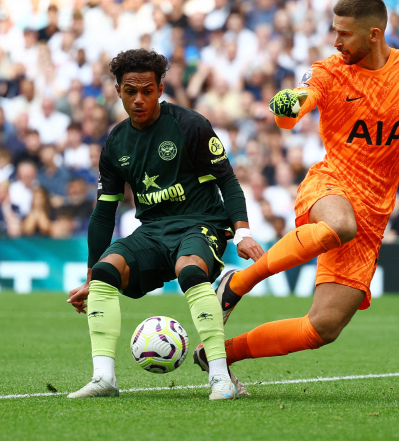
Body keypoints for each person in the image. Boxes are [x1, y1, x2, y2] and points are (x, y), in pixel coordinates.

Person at [194, 0, 399, 379]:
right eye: (333, 31)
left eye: (344, 34)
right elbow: (296, 107)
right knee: (341, 224)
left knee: (323, 328)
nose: (335, 41)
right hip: (330, 185)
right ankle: (237, 284)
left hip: (374, 215)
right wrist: (288, 105)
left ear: (374, 34)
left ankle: (220, 354)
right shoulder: (329, 69)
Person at [66, 49, 263, 401]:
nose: (138, 99)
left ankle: (220, 379)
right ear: (118, 91)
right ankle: (103, 378)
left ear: (160, 88)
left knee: (190, 270)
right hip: (153, 231)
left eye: (147, 90)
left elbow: (228, 181)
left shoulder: (190, 125)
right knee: (107, 272)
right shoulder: (116, 142)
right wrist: (91, 276)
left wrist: (242, 232)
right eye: (130, 91)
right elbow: (103, 212)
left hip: (201, 223)